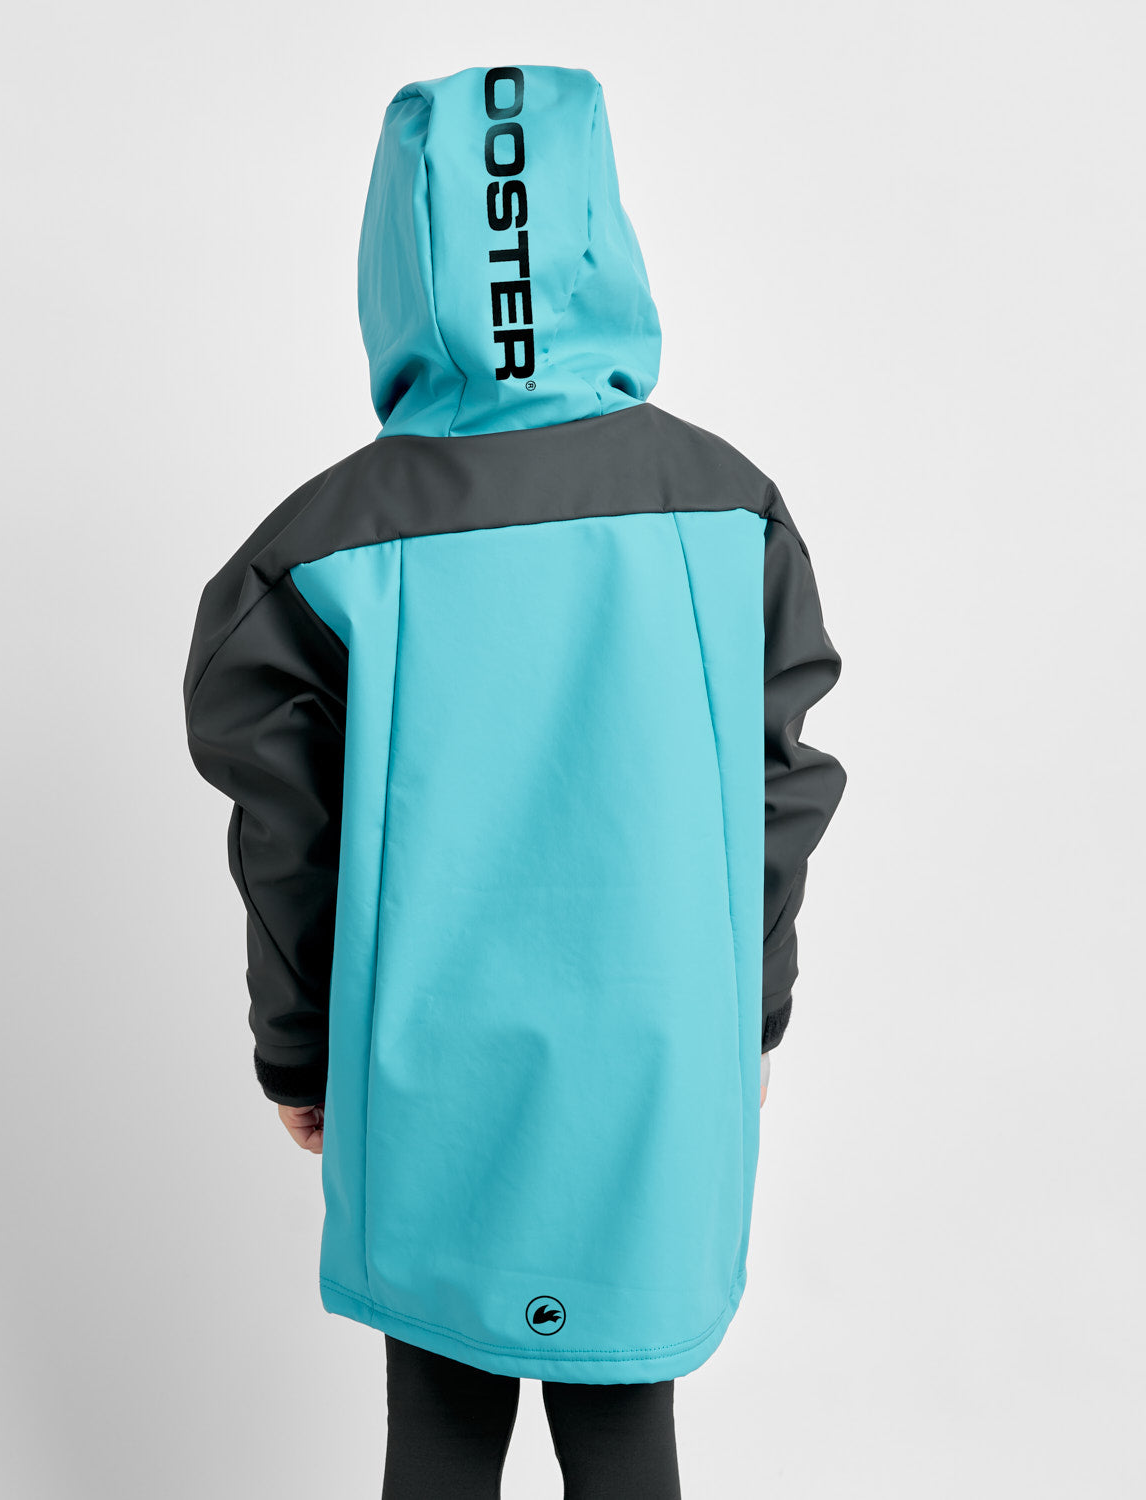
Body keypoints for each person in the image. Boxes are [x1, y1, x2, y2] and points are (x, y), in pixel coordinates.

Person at [183, 63, 846, 1499]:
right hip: (658, 1061)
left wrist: (297, 1055)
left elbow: (288, 839)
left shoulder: (318, 547)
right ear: (602, 225)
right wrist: (753, 1013)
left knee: (435, 1430)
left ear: (399, 257)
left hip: (427, 1066)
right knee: (628, 1433)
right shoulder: (728, 508)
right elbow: (776, 795)